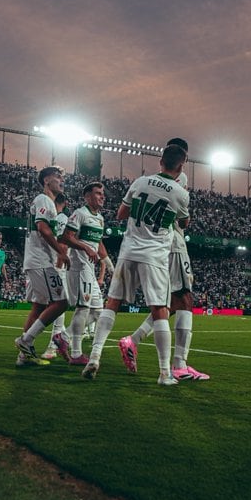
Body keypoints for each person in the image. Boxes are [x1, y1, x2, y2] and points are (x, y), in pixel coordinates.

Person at [82, 144, 189, 385]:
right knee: (160, 310)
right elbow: (184, 222)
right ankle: (164, 373)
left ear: (160, 161)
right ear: (181, 166)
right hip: (155, 256)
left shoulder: (140, 182)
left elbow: (121, 213)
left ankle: (95, 355)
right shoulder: (181, 193)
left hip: (129, 251)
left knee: (112, 304)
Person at [117, 137, 208, 381]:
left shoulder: (147, 180)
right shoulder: (181, 180)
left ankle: (132, 341)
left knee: (168, 303)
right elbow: (182, 220)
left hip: (150, 245)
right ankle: (179, 364)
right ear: (183, 160)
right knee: (185, 299)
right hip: (173, 243)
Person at [14, 166, 73, 367]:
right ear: (46, 180)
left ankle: (23, 356)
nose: (61, 180)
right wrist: (61, 251)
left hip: (36, 260)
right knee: (62, 302)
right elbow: (43, 229)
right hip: (41, 261)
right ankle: (26, 340)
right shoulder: (43, 200)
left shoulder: (47, 202)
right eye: (58, 176)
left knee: (38, 307)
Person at [58, 182, 111, 365]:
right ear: (87, 196)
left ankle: (63, 336)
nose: (102, 196)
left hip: (90, 269)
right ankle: (76, 354)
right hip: (80, 267)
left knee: (98, 312)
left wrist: (112, 268)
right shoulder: (80, 214)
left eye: (102, 193)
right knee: (83, 308)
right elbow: (65, 237)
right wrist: (85, 248)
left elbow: (100, 245)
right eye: (97, 193)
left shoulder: (100, 219)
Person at [42, 193, 70, 359]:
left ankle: (60, 340)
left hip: (53, 264)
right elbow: (63, 242)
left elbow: (59, 242)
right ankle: (57, 343)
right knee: (60, 304)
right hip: (58, 265)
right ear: (65, 203)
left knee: (57, 304)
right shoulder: (62, 219)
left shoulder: (56, 219)